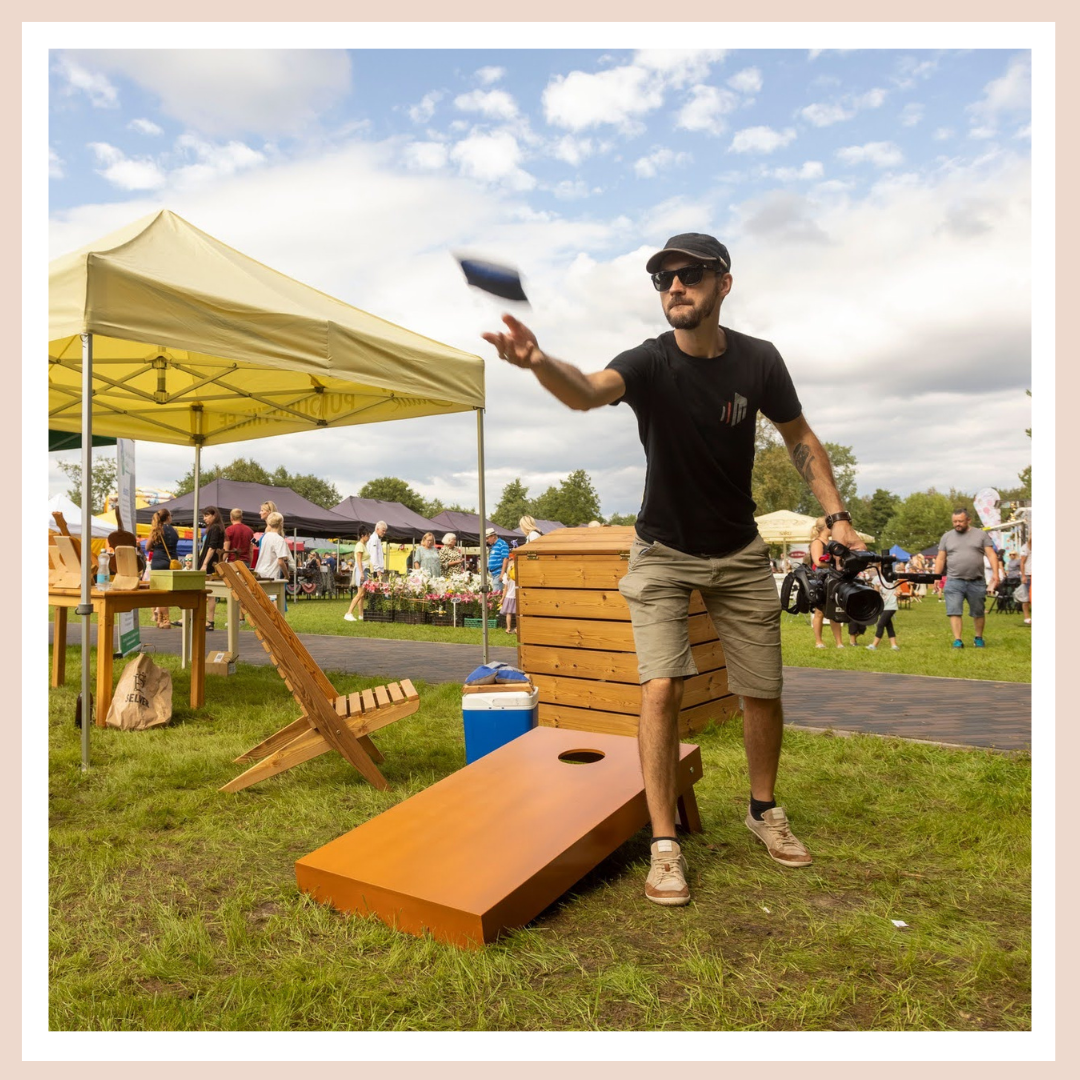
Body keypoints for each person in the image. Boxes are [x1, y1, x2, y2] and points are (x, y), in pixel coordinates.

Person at [483, 231, 865, 906]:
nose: (674, 287)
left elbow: (799, 436)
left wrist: (835, 515)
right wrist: (539, 360)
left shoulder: (759, 362)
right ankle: (665, 844)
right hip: (661, 552)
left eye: (689, 275)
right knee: (661, 687)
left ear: (724, 283)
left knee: (761, 689)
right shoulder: (651, 363)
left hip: (739, 551)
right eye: (663, 279)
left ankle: (761, 808)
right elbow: (587, 390)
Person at [934, 508, 1000, 648]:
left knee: (978, 611)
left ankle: (978, 638)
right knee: (954, 611)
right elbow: (940, 558)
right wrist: (937, 576)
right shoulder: (947, 537)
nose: (957, 524)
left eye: (960, 521)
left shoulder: (981, 535)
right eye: (955, 521)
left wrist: (996, 573)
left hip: (976, 581)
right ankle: (958, 640)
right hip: (953, 580)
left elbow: (991, 555)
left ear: (968, 520)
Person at [809, 517, 844, 649]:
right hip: (821, 580)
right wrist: (833, 564)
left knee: (834, 610)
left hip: (833, 578)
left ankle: (839, 642)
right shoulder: (817, 543)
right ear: (825, 527)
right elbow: (818, 562)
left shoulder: (832, 542)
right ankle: (819, 641)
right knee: (819, 611)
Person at [147, 508, 180, 629]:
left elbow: (147, 546)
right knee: (167, 592)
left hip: (158, 561)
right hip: (172, 563)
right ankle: (160, 619)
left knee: (160, 593)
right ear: (168, 517)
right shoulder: (174, 531)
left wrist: (155, 548)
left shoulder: (157, 530)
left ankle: (166, 620)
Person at [198, 506, 226, 630]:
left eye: (207, 515)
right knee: (209, 593)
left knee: (208, 593)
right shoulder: (217, 527)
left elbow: (212, 547)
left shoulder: (215, 528)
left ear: (214, 515)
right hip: (210, 561)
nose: (205, 518)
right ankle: (209, 620)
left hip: (209, 563)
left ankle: (209, 620)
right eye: (204, 516)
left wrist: (204, 563)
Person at [254, 511, 292, 584]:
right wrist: (287, 575)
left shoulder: (265, 537)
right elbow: (281, 562)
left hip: (259, 571)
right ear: (281, 523)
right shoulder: (279, 540)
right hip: (271, 575)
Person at [866, 575, 901, 650]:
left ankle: (874, 645)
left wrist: (898, 593)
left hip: (891, 605)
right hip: (882, 606)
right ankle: (894, 645)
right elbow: (876, 593)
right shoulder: (876, 578)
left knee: (880, 624)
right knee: (889, 625)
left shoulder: (893, 576)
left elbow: (899, 590)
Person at [344, 527, 371, 621]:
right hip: (362, 570)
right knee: (359, 594)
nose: (369, 537)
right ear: (363, 536)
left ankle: (361, 614)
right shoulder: (360, 545)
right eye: (368, 535)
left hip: (365, 569)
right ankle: (348, 613)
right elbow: (358, 560)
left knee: (362, 594)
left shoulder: (363, 545)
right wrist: (361, 573)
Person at [485, 527, 509, 592]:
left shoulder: (502, 543)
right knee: (496, 594)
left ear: (493, 536)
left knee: (496, 594)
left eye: (487, 538)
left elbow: (505, 558)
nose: (486, 540)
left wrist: (502, 573)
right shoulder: (494, 546)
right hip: (494, 574)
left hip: (498, 573)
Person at [1019, 536, 1032, 625]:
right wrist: (1023, 575)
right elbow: (1022, 562)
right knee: (1026, 597)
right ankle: (1027, 617)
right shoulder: (1026, 547)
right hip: (1028, 574)